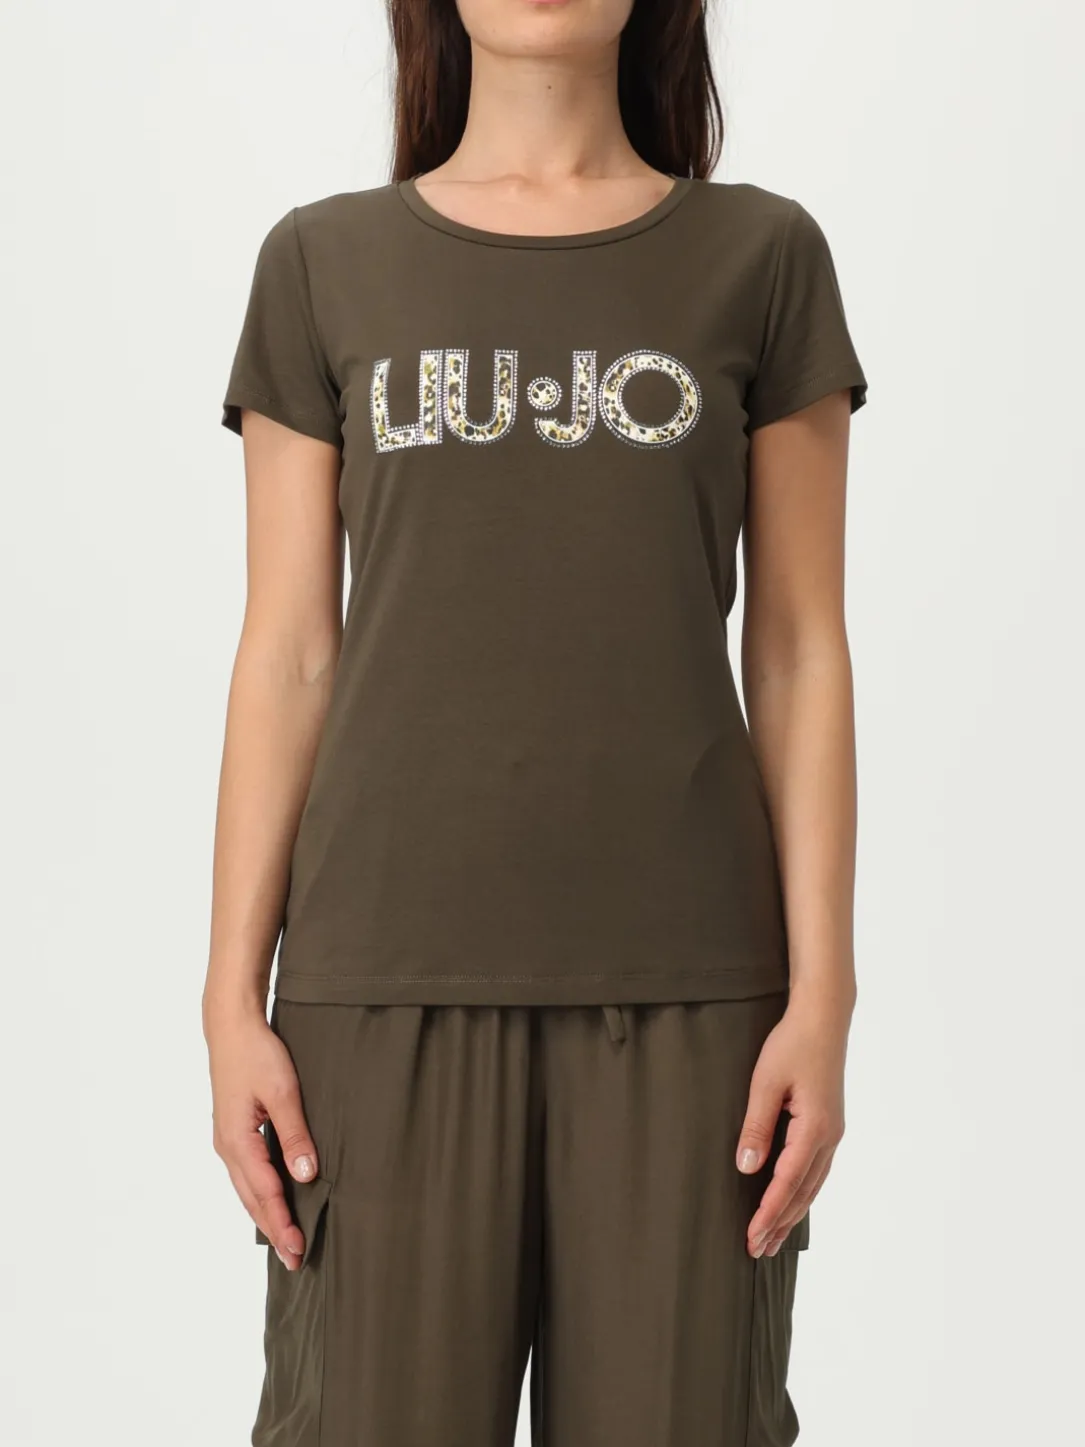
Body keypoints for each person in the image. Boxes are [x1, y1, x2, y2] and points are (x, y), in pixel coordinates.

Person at [204, 1, 868, 1443]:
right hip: (377, 996)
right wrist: (227, 998)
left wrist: (825, 995)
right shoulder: (321, 264)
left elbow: (800, 649)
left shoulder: (762, 259)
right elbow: (290, 654)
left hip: (697, 1006)